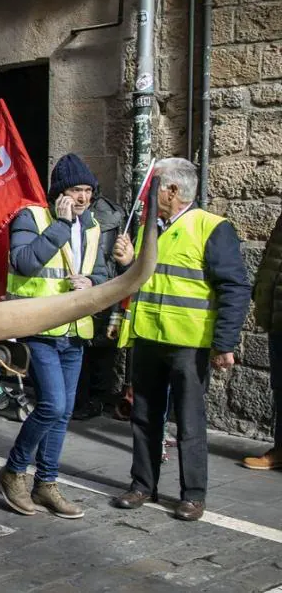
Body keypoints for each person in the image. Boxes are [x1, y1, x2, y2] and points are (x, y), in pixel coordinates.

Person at [111, 157, 250, 521]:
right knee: (144, 416)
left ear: (172, 190)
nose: (147, 195)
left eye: (153, 187)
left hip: (188, 343)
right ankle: (142, 484)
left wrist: (225, 342)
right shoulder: (149, 228)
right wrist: (127, 264)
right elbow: (145, 280)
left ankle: (193, 495)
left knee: (189, 422)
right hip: (147, 336)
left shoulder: (211, 228)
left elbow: (234, 288)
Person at [0, 153, 109, 519]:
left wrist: (91, 281)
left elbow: (104, 274)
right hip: (39, 327)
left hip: (75, 330)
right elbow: (24, 262)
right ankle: (13, 471)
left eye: (88, 191)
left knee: (64, 414)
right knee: (52, 406)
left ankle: (46, 483)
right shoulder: (33, 216)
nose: (83, 198)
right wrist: (60, 225)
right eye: (76, 190)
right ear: (60, 192)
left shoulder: (92, 227)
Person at [73, 192, 128, 419]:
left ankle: (87, 401)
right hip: (107, 289)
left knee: (92, 350)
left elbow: (102, 258)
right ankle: (93, 399)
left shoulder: (96, 219)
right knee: (99, 350)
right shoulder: (112, 215)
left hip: (97, 287)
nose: (81, 196)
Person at [244, 208, 282, 470]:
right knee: (280, 386)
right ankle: (280, 449)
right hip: (277, 316)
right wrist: (260, 292)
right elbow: (272, 258)